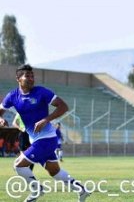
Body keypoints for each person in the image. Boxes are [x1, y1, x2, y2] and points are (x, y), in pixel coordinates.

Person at [0, 64, 90, 202]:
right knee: (55, 172)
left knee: (18, 165)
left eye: (32, 76)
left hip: (47, 139)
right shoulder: (12, 96)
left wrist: (46, 120)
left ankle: (37, 190)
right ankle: (82, 190)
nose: (31, 79)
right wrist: (1, 119)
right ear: (18, 78)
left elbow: (63, 106)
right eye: (27, 76)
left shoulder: (41, 92)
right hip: (35, 140)